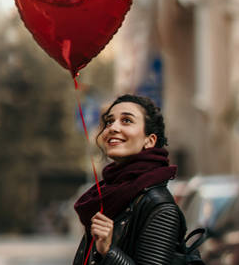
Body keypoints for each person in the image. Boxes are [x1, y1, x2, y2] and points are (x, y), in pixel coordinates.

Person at [72, 94, 185, 265]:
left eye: (126, 121)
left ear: (150, 140)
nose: (112, 128)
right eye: (109, 121)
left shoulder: (158, 205)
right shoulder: (112, 194)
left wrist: (109, 251)